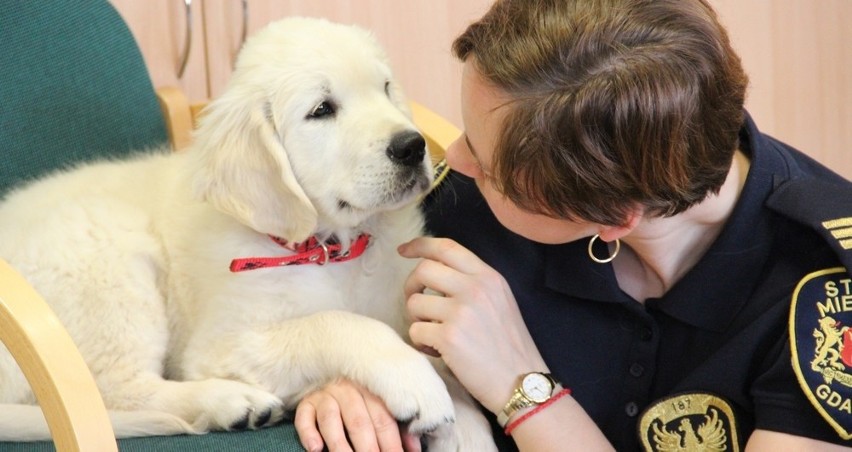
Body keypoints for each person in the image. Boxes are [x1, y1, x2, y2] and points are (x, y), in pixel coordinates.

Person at [294, 0, 852, 450]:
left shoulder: (832, 291)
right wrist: (358, 376)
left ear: (610, 219)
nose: (452, 160)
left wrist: (525, 390)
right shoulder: (460, 208)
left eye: (487, 168)